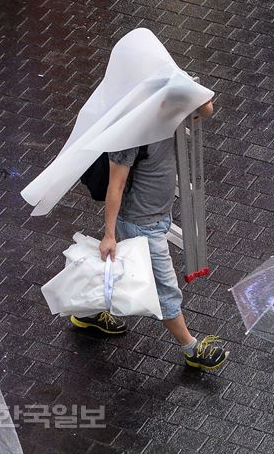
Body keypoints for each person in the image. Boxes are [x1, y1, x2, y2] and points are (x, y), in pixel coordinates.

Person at [71, 100, 229, 371]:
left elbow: (204, 113)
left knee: (123, 270)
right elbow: (115, 186)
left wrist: (198, 97)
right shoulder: (130, 134)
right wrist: (109, 234)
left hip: (156, 217)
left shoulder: (165, 111)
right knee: (164, 287)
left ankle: (87, 314)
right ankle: (191, 349)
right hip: (141, 225)